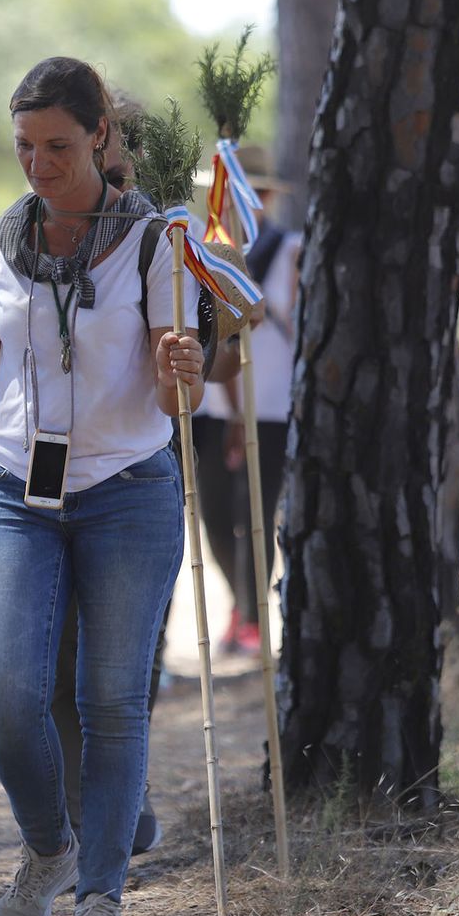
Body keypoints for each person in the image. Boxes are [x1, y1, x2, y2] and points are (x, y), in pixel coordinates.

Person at [0, 56, 203, 916]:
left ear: (102, 135)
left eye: (59, 146)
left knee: (113, 701)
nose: (38, 165)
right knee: (6, 692)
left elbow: (171, 387)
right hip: (13, 493)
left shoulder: (153, 243)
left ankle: (103, 903)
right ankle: (49, 850)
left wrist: (180, 376)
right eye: (25, 146)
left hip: (128, 492)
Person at [192, 145, 300, 653]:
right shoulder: (203, 254)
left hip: (271, 405)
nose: (246, 202)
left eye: (255, 193)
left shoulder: (291, 252)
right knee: (214, 514)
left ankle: (254, 616)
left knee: (257, 510)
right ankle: (241, 601)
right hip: (214, 404)